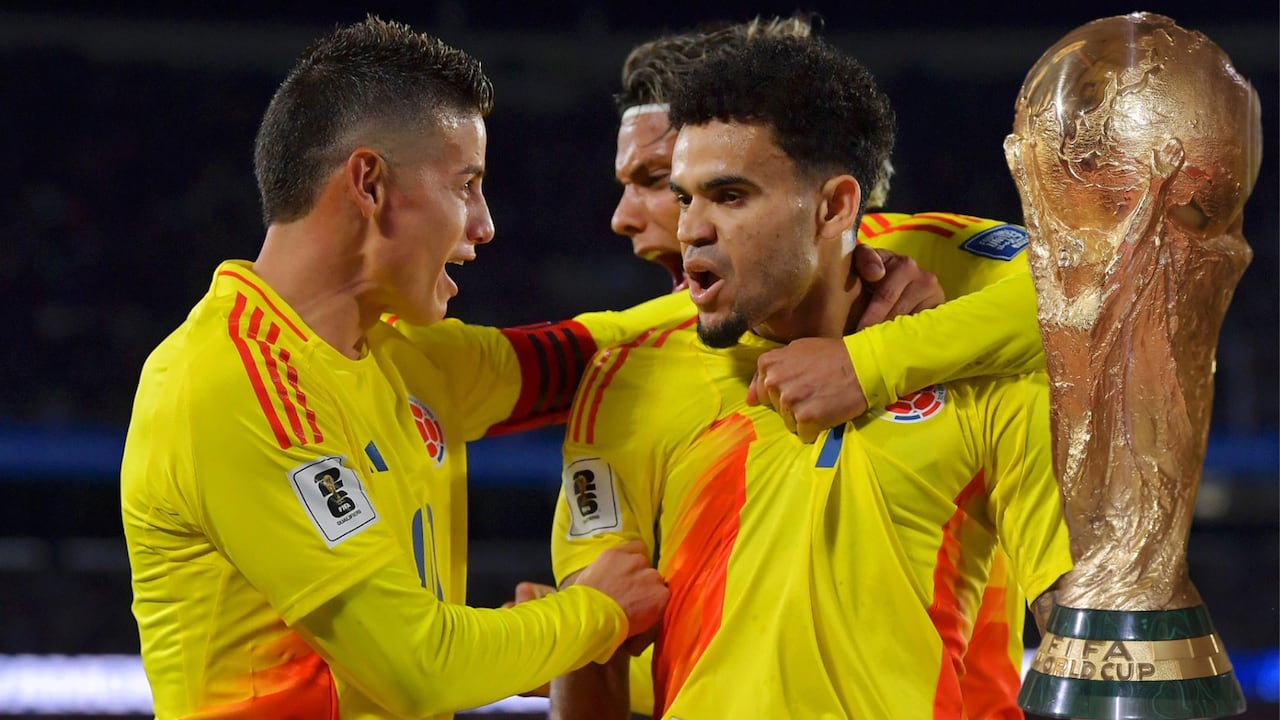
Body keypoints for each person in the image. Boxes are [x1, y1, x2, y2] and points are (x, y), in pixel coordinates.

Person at [119, 17, 674, 719]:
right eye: (465, 185)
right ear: (370, 184)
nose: (484, 225)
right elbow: (418, 668)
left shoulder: (402, 357)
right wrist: (594, 613)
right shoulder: (229, 382)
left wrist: (837, 255)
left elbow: (606, 351)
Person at [548, 35, 1073, 718]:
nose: (690, 231)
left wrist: (869, 364)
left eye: (729, 197)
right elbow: (597, 655)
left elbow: (1077, 620)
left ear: (833, 207)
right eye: (683, 198)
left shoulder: (986, 375)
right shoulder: (631, 379)